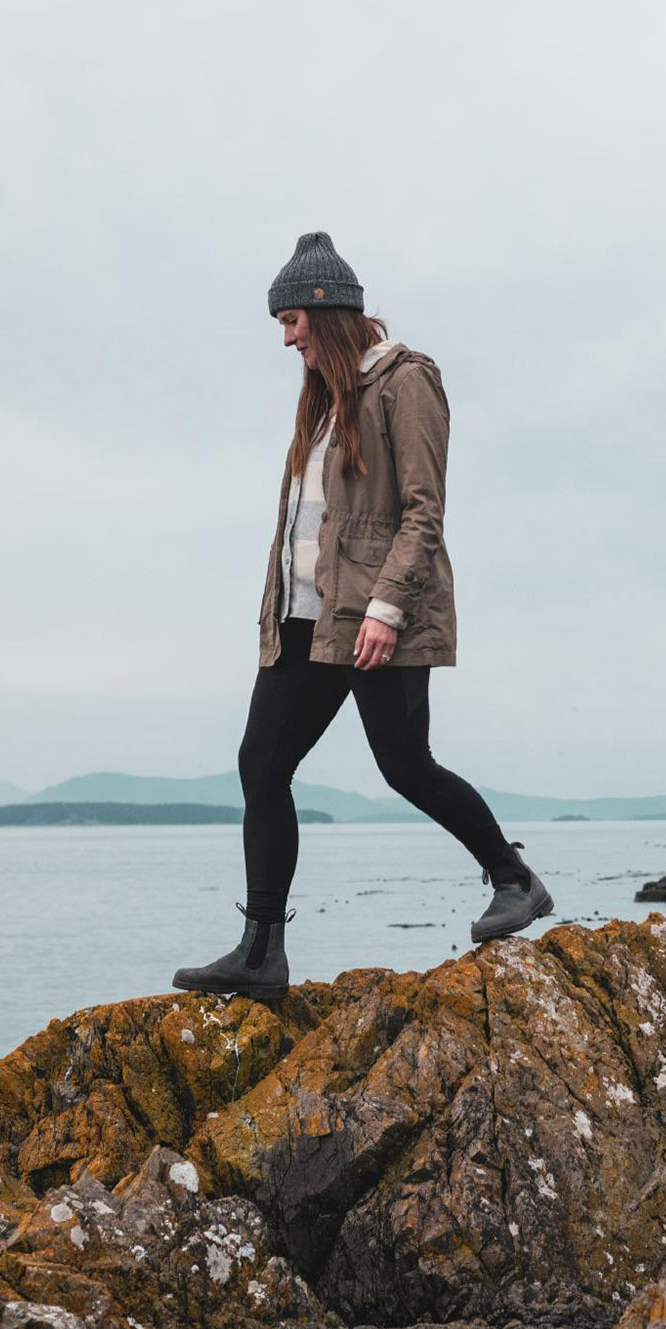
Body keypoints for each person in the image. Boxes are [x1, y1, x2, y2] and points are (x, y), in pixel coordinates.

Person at [173, 232, 553, 1002]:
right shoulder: (321, 400)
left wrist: (385, 607)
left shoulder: (406, 382)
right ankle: (261, 953)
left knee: (404, 766)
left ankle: (516, 880)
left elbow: (424, 512)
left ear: (328, 313)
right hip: (307, 617)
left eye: (292, 323)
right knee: (262, 765)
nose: (286, 341)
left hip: (379, 615)